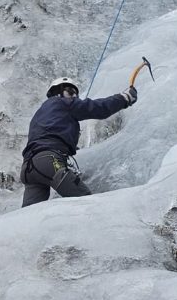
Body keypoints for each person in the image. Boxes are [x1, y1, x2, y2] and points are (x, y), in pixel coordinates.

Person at [20, 76, 137, 207]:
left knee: (28, 216)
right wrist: (124, 98)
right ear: (58, 92)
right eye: (70, 91)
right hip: (49, 161)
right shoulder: (62, 103)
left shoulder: (40, 114)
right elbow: (98, 108)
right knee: (85, 202)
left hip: (28, 169)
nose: (74, 96)